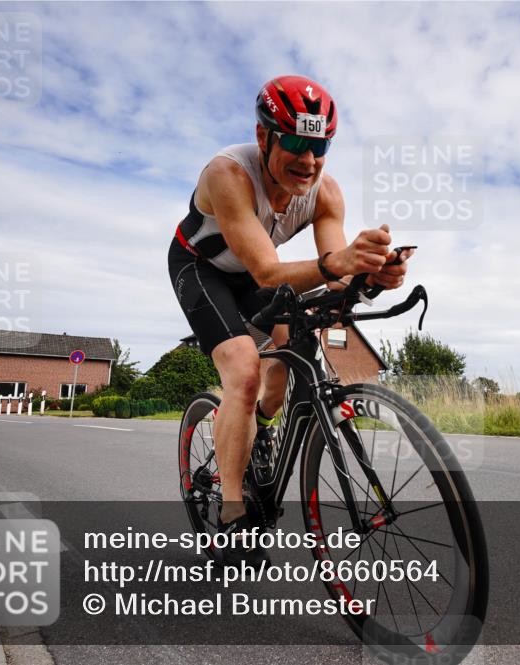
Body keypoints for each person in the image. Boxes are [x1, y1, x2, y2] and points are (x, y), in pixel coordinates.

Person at [168, 75, 414, 566]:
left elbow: (336, 270)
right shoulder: (228, 174)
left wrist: (373, 275)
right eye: (297, 143)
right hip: (202, 268)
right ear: (264, 138)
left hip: (262, 276)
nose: (308, 160)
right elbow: (266, 268)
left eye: (319, 145)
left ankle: (257, 432)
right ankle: (233, 513)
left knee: (282, 374)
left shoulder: (325, 194)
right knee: (243, 370)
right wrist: (340, 264)